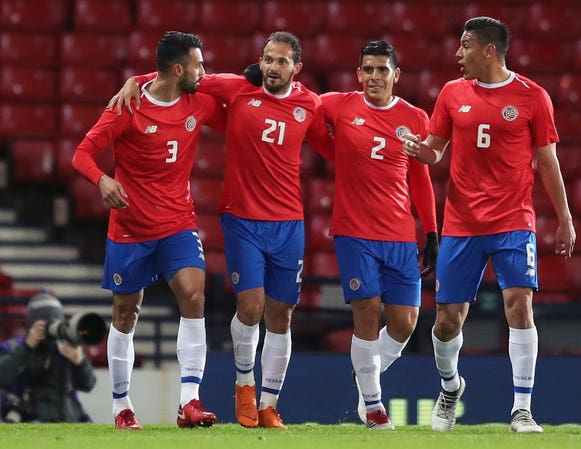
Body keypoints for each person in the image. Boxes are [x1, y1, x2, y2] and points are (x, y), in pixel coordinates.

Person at [110, 31, 332, 429]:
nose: (272, 67)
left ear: (297, 68)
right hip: (242, 218)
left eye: (282, 61)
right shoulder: (235, 88)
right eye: (267, 59)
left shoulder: (310, 104)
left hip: (289, 223)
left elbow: (333, 146)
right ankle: (244, 388)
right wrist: (137, 81)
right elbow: (175, 76)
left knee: (282, 314)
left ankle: (269, 405)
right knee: (250, 307)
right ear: (259, 60)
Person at [403, 16, 576, 433]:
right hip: (462, 223)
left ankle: (522, 409)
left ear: (489, 51)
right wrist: (417, 150)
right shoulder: (451, 93)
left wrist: (565, 218)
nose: (457, 55)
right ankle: (450, 388)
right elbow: (434, 151)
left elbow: (548, 162)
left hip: (514, 220)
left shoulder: (533, 97)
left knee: (519, 303)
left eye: (465, 46)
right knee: (447, 321)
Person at [72, 31, 225, 430]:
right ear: (178, 69)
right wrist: (103, 181)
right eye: (198, 64)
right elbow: (81, 153)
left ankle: (188, 402)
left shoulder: (200, 99)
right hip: (131, 227)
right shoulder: (128, 106)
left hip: (177, 223)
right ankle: (122, 407)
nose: (203, 71)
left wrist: (137, 77)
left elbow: (235, 88)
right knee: (126, 312)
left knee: (194, 295)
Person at [319, 41, 438, 430]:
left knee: (405, 323)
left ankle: (366, 372)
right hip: (354, 232)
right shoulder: (339, 105)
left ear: (395, 75)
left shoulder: (416, 118)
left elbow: (420, 178)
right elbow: (293, 103)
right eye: (367, 69)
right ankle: (372, 407)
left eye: (381, 70)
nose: (374, 76)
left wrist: (432, 231)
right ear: (358, 74)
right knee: (367, 313)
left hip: (400, 234)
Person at [0, 292, 96, 423]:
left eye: (56, 323)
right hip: (28, 420)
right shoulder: (14, 347)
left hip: (69, 421)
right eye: (45, 324)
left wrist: (80, 362)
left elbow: (88, 385)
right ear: (31, 324)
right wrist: (27, 348)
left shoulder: (66, 348)